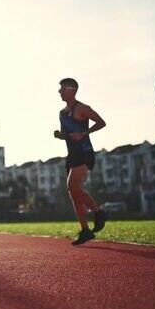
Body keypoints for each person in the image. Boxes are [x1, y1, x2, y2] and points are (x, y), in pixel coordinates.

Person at [54, 78, 107, 246]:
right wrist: (59, 135)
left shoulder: (82, 108)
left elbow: (101, 122)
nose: (59, 92)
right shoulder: (62, 113)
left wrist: (84, 133)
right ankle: (85, 230)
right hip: (71, 154)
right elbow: (66, 134)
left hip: (84, 153)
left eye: (62, 89)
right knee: (74, 192)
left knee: (72, 187)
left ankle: (98, 212)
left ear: (71, 90)